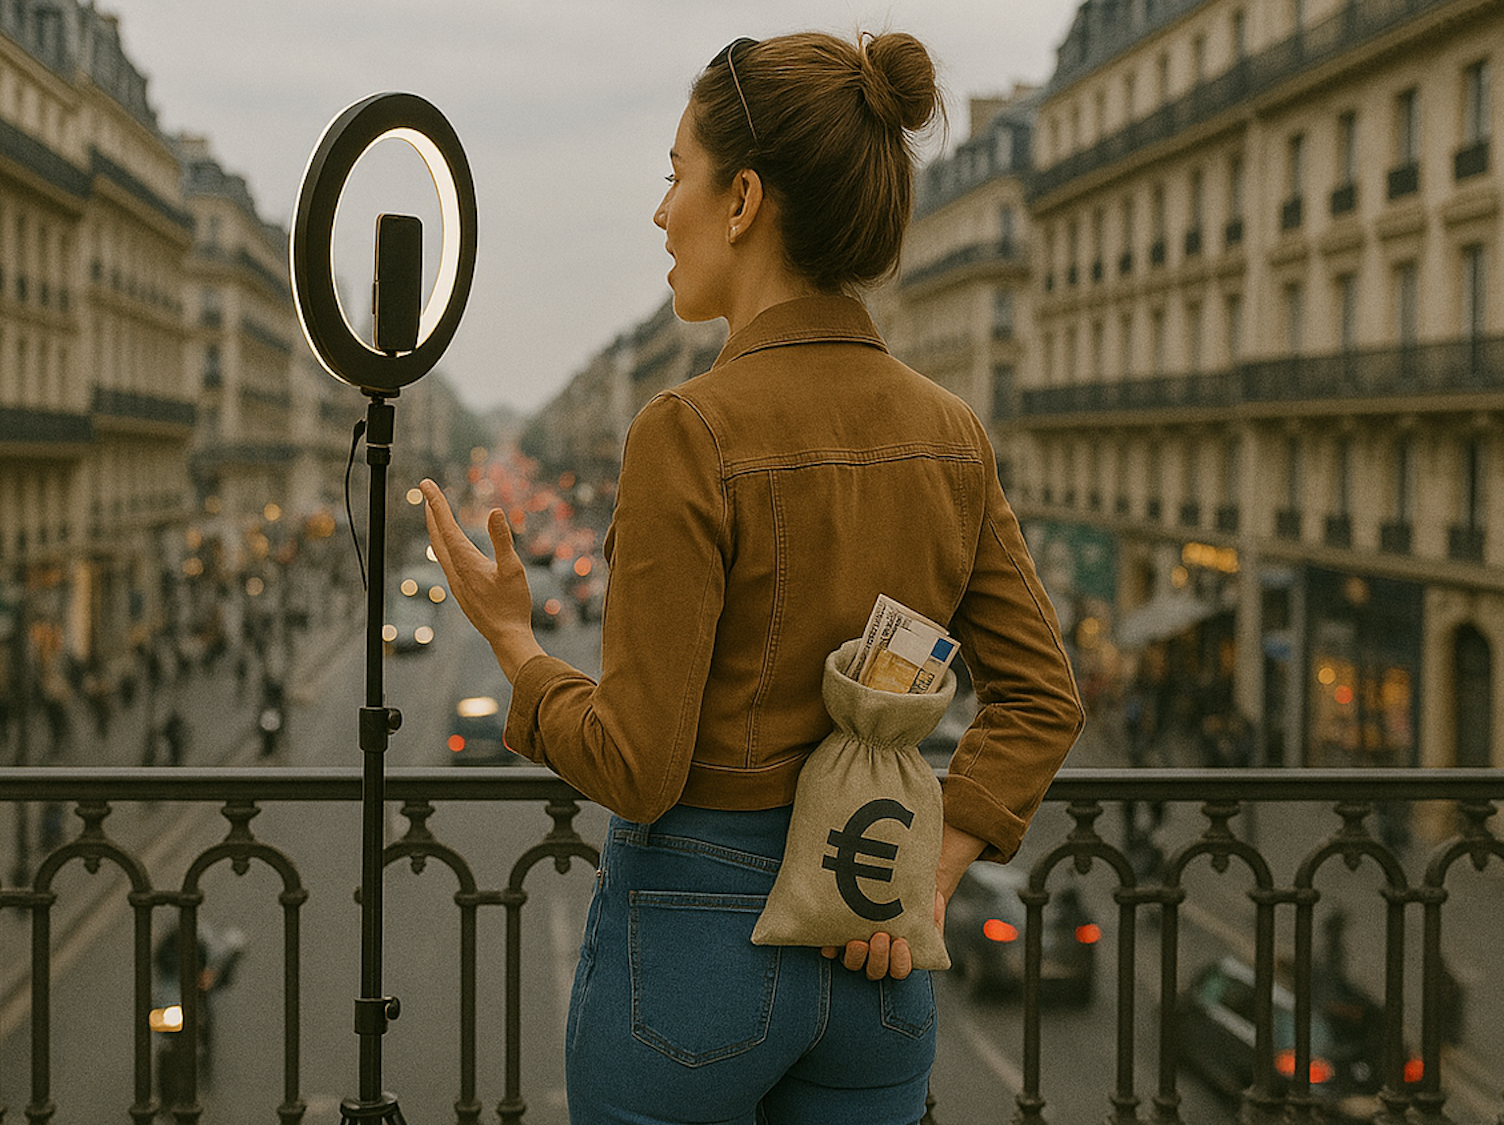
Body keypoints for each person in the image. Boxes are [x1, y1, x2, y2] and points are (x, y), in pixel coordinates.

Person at [420, 30, 1082, 1125]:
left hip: (696, 947)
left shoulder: (687, 430)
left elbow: (637, 765)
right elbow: (1042, 697)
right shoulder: (949, 432)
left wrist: (518, 653)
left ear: (741, 201)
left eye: (673, 174)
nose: (659, 212)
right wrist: (930, 865)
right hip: (870, 944)